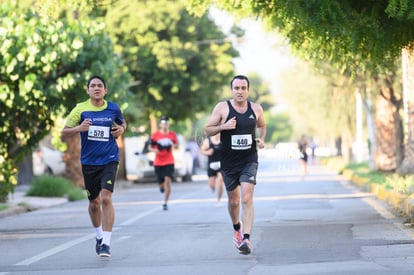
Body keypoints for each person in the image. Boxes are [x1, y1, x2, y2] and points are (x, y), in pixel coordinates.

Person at [61, 75, 126, 257]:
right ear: (88, 90)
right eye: (93, 86)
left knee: (106, 198)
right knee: (94, 203)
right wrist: (79, 128)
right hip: (89, 162)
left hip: (110, 158)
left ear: (105, 90)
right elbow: (64, 132)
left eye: (100, 86)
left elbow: (122, 123)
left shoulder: (113, 108)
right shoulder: (80, 109)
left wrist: (122, 130)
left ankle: (106, 242)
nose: (96, 88)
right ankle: (98, 236)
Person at [204, 75, 266, 255]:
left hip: (249, 159)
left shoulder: (256, 108)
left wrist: (261, 139)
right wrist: (223, 127)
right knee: (234, 201)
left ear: (248, 90)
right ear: (232, 90)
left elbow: (262, 126)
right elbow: (208, 129)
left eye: (243, 88)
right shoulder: (222, 107)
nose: (240, 91)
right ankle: (237, 228)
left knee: (246, 198)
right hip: (229, 162)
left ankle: (246, 238)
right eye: (236, 88)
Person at [149, 115, 178, 210]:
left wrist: (174, 146)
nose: (165, 125)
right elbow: (150, 147)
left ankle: (165, 202)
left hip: (169, 161)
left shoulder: (173, 135)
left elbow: (176, 145)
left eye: (166, 123)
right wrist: (154, 151)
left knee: (168, 180)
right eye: (163, 123)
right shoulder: (155, 135)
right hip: (158, 162)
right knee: (161, 182)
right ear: (160, 125)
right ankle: (161, 186)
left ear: (168, 124)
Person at [200, 133, 224, 206]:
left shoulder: (223, 140)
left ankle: (219, 200)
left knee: (220, 181)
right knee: (212, 185)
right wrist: (208, 152)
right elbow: (202, 150)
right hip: (212, 165)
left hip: (222, 165)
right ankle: (213, 188)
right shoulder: (208, 141)